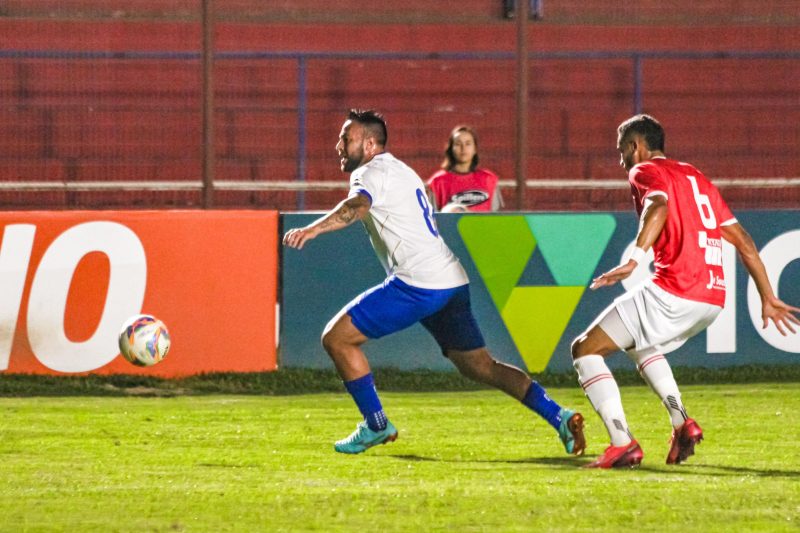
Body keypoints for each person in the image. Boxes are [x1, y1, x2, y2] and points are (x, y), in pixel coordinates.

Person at [283, 109, 586, 455]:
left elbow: (357, 205)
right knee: (482, 366)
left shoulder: (369, 173)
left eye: (345, 138)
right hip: (450, 280)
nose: (338, 145)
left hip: (418, 283)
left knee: (337, 340)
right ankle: (560, 416)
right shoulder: (402, 170)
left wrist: (312, 229)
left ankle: (376, 425)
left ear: (369, 144)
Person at [571, 114, 800, 469]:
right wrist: (767, 296)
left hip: (674, 289)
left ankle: (622, 442)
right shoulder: (696, 177)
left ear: (637, 146)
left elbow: (657, 206)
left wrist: (634, 260)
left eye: (621, 151)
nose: (621, 161)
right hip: (711, 298)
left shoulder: (644, 170)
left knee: (585, 350)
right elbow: (744, 241)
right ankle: (682, 423)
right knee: (642, 344)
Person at [427, 125, 503, 212]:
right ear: (451, 148)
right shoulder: (437, 181)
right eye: (458, 144)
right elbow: (430, 218)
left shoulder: (489, 179)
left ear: (475, 149)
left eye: (468, 143)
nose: (463, 148)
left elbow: (496, 216)